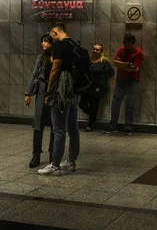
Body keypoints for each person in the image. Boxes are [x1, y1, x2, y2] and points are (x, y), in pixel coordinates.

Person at [38, 22, 80, 176]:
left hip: (61, 91)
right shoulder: (75, 45)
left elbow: (55, 69)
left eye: (51, 36)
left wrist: (48, 92)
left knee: (59, 129)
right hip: (74, 92)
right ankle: (71, 161)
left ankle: (55, 165)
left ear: (55, 32)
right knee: (73, 128)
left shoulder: (60, 46)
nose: (52, 40)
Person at [24, 33, 55, 168]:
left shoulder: (58, 57)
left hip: (54, 91)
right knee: (38, 125)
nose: (42, 44)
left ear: (52, 43)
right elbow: (34, 74)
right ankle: (36, 154)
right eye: (42, 41)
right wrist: (28, 93)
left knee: (55, 125)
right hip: (42, 92)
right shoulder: (41, 58)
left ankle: (53, 154)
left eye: (45, 41)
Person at [104, 32, 144, 136]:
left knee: (130, 104)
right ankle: (113, 126)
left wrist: (122, 65)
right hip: (120, 81)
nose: (124, 44)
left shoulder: (138, 53)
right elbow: (115, 63)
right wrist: (127, 64)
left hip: (132, 81)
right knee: (115, 103)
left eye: (125, 42)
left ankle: (128, 127)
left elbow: (135, 69)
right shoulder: (121, 50)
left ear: (131, 42)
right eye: (123, 42)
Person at [79, 43, 114, 132]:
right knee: (82, 104)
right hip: (87, 87)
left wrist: (102, 78)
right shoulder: (88, 61)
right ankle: (93, 115)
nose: (95, 51)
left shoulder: (103, 62)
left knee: (94, 105)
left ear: (101, 52)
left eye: (97, 50)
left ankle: (90, 124)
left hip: (98, 88)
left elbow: (111, 73)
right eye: (94, 49)